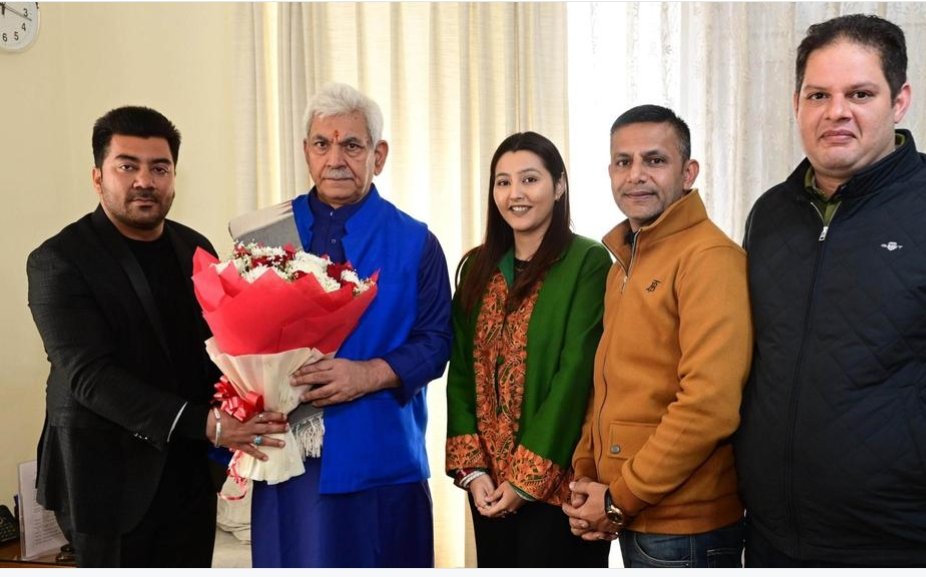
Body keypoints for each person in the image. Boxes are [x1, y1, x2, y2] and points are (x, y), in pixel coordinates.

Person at [26, 106, 287, 568]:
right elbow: (90, 377)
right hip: (106, 480)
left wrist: (260, 392)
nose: (144, 180)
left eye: (159, 167)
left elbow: (218, 350)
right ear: (97, 176)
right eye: (127, 166)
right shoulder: (59, 260)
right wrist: (208, 424)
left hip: (188, 472)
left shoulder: (196, 248)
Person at [230, 83, 452, 568]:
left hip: (381, 457)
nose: (336, 158)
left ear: (379, 155)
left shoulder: (416, 242)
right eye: (322, 144)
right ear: (306, 153)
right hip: (289, 459)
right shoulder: (263, 237)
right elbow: (237, 343)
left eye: (352, 145)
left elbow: (436, 343)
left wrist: (368, 373)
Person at [736, 14, 926, 567]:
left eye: (860, 93)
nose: (836, 111)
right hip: (770, 537)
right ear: (797, 103)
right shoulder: (770, 213)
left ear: (900, 101)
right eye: (818, 94)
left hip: (895, 542)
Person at [562, 105, 753, 568]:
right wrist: (585, 477)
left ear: (688, 172)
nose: (636, 175)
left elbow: (709, 405)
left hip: (686, 527)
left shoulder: (709, 257)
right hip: (635, 513)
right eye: (623, 162)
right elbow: (606, 385)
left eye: (655, 160)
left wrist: (617, 498)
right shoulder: (625, 262)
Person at [445, 132, 612, 567]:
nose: (515, 194)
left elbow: (575, 375)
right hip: (489, 490)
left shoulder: (588, 262)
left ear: (558, 186)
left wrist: (524, 483)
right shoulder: (476, 267)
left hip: (562, 489)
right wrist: (474, 473)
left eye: (529, 180)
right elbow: (461, 370)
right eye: (503, 182)